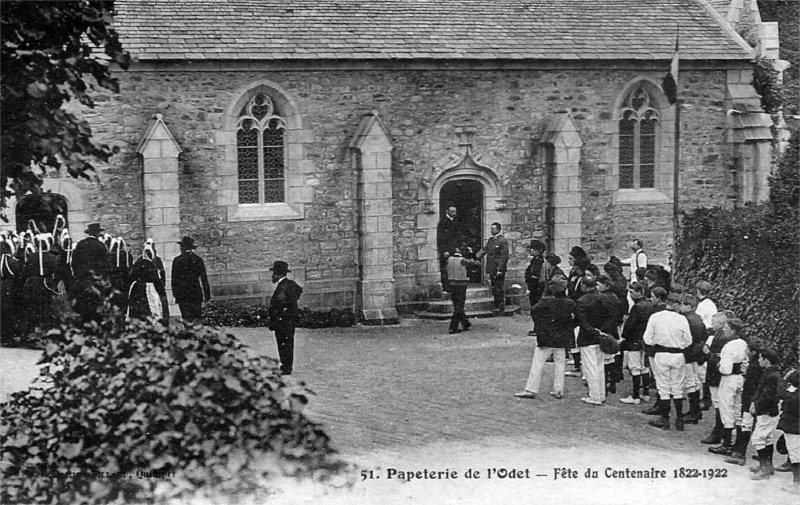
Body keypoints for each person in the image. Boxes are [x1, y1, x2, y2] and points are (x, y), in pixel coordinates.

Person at [515, 279, 577, 400]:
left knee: (538, 362)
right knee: (560, 363)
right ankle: (558, 389)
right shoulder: (569, 303)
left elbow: (534, 311)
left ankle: (531, 388)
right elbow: (576, 318)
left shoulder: (545, 302)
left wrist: (541, 326)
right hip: (562, 336)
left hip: (547, 336)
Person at [642, 287, 692, 431]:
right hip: (678, 354)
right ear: (677, 304)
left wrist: (658, 342)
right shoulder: (682, 319)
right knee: (677, 386)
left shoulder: (656, 317)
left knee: (663, 386)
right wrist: (679, 344)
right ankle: (679, 419)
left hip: (661, 353)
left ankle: (665, 418)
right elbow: (688, 340)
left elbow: (647, 339)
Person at [708, 316, 749, 455]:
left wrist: (719, 364)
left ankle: (726, 444)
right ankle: (738, 444)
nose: (724, 330)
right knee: (738, 411)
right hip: (739, 378)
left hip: (728, 379)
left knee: (726, 410)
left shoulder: (728, 346)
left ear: (732, 330)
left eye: (726, 328)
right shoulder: (743, 343)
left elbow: (725, 369)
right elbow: (745, 363)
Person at [575, 276, 615, 406]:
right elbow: (611, 316)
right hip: (602, 337)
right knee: (599, 366)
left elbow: (583, 322)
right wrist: (602, 331)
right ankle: (601, 394)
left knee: (590, 367)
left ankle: (595, 396)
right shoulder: (604, 298)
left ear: (584, 286)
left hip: (588, 337)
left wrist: (595, 331)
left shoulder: (581, 301)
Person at [747, 348, 782, 480]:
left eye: (761, 358)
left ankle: (764, 468)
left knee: (757, 438)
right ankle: (769, 465)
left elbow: (767, 396)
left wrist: (757, 406)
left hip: (766, 411)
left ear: (766, 360)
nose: (759, 361)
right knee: (767, 438)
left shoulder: (771, 376)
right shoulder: (773, 373)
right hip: (770, 411)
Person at [619, 282, 654, 405]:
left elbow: (630, 325)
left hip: (634, 339)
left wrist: (624, 336)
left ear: (639, 292)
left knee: (634, 366)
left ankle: (635, 396)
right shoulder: (649, 305)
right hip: (645, 340)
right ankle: (645, 393)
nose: (630, 295)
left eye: (632, 292)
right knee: (644, 366)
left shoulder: (637, 307)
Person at [268, 260, 303, 376]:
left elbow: (279, 303)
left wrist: (282, 312)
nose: (272, 276)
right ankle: (286, 366)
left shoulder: (282, 288)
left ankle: (286, 368)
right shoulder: (291, 284)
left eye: (274, 273)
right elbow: (299, 291)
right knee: (287, 343)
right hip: (288, 321)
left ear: (278, 274)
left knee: (284, 344)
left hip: (282, 321)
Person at [678, 293, 709, 425]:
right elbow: (704, 336)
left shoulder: (686, 320)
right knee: (694, 382)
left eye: (682, 304)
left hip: (687, 355)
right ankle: (695, 411)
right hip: (695, 355)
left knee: (690, 382)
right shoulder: (698, 319)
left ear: (689, 306)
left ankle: (693, 412)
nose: (680, 307)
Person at [71, 222, 112, 320]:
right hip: (96, 280)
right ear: (97, 233)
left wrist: (78, 276)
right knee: (97, 304)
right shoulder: (101, 246)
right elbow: (106, 265)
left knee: (84, 304)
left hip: (83, 280)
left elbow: (74, 263)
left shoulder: (81, 244)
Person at [127, 241, 169, 324]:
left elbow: (131, 275)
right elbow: (157, 278)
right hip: (150, 288)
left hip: (139, 289)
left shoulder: (139, 262)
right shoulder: (152, 263)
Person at [171, 236, 211, 322]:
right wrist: (207, 296)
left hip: (183, 295)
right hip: (195, 294)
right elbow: (204, 279)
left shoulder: (177, 260)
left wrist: (176, 294)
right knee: (197, 319)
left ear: (183, 247)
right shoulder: (198, 260)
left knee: (186, 319)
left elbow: (174, 280)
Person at [475, 222, 508, 316]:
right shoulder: (491, 240)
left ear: (498, 230)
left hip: (498, 270)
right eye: (491, 228)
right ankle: (496, 305)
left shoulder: (503, 241)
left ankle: (500, 307)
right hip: (492, 268)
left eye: (493, 229)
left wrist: (500, 269)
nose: (491, 230)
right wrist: (475, 256)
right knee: (494, 287)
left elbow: (504, 256)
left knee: (499, 288)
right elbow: (484, 249)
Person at [446, 244, 480, 334]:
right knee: (459, 307)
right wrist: (472, 254)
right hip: (460, 285)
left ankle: (465, 323)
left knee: (457, 305)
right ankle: (453, 328)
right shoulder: (463, 261)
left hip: (451, 285)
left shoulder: (449, 259)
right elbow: (477, 264)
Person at [695, 280, 718, 411]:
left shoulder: (702, 306)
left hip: (705, 337)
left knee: (702, 370)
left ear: (698, 292)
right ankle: (705, 397)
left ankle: (705, 398)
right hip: (710, 337)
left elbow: (699, 323)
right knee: (703, 369)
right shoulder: (711, 304)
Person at [775, 370, 799, 491]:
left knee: (795, 454)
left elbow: (781, 393)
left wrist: (784, 380)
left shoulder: (793, 395)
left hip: (794, 427)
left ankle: (797, 483)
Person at [437, 205, 462, 292]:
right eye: (452, 212)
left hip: (453, 249)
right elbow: (441, 238)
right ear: (447, 211)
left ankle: (453, 287)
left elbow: (456, 236)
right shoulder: (443, 222)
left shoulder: (455, 221)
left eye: (455, 212)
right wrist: (444, 250)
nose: (454, 213)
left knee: (453, 267)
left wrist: (457, 247)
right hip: (446, 249)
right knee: (446, 268)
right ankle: (446, 287)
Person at [524, 240, 547, 336]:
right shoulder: (536, 259)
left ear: (538, 250)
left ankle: (538, 328)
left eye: (532, 249)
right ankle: (537, 328)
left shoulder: (537, 261)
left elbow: (534, 276)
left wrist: (530, 288)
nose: (530, 250)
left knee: (535, 308)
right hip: (537, 286)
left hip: (536, 287)